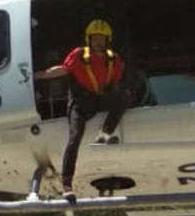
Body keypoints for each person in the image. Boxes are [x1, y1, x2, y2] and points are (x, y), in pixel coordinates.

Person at [35, 19, 129, 201]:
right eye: (95, 39)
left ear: (108, 41)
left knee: (124, 96)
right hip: (80, 104)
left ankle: (104, 134)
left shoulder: (114, 59)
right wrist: (39, 75)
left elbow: (115, 84)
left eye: (102, 39)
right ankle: (67, 184)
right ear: (89, 40)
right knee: (75, 137)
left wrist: (116, 101)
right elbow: (62, 70)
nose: (99, 42)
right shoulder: (79, 55)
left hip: (99, 100)